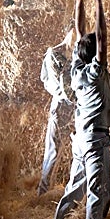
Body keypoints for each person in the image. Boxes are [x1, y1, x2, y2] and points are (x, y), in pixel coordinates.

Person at [52, 0, 110, 219]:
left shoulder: (77, 68)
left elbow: (81, 35)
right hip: (95, 140)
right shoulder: (94, 73)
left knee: (74, 189)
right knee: (98, 193)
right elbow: (101, 38)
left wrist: (79, 1)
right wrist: (98, 2)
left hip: (80, 139)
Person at [37, 21, 78, 196]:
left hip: (76, 108)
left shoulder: (77, 53)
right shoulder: (55, 54)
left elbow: (44, 79)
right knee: (53, 152)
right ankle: (43, 193)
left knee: (79, 151)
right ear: (69, 31)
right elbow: (52, 83)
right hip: (62, 107)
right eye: (76, 31)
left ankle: (74, 194)